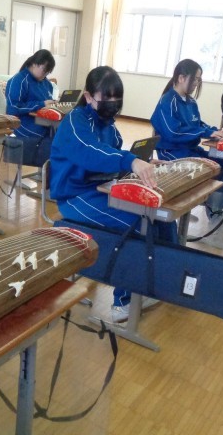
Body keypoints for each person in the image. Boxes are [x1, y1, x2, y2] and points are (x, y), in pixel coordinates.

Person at [49, 66, 176, 323]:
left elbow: (115, 151)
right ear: (88, 96)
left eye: (117, 98)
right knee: (135, 223)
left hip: (100, 189)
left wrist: (143, 161)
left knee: (161, 218)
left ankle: (158, 281)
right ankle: (123, 302)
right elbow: (92, 153)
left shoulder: (108, 124)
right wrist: (130, 161)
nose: (112, 103)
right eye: (106, 98)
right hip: (75, 196)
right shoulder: (75, 122)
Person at [151, 59, 223, 161]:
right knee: (210, 167)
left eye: (198, 80)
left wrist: (214, 131)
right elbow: (174, 133)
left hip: (190, 149)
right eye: (195, 79)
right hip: (172, 151)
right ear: (181, 78)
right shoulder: (167, 102)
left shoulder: (191, 102)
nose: (196, 83)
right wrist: (205, 132)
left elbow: (197, 124)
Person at [5, 49, 56, 167]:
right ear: (34, 64)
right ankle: (49, 171)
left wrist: (53, 104)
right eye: (44, 70)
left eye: (48, 72)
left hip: (43, 122)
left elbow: (47, 104)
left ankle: (52, 173)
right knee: (54, 143)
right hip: (24, 124)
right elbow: (13, 108)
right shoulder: (18, 80)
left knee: (63, 137)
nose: (45, 75)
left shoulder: (47, 84)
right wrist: (42, 104)